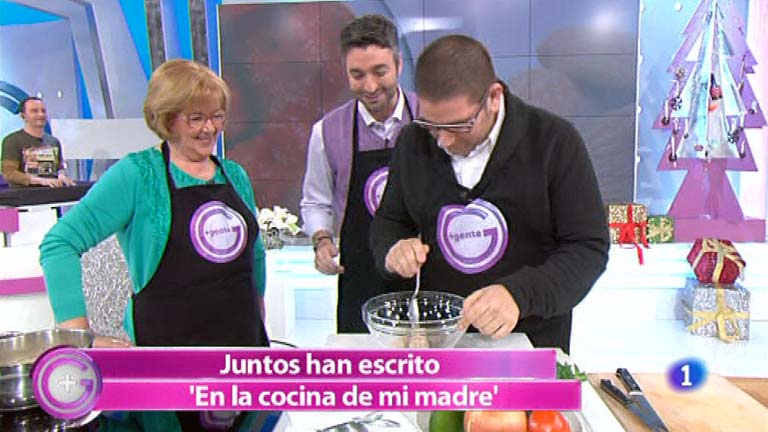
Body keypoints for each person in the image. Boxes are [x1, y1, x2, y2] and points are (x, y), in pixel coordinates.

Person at [39, 59, 268, 431]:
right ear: (167, 119)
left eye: (217, 116)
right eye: (196, 118)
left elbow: (254, 255)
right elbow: (59, 243)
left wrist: (259, 312)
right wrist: (79, 337)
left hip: (242, 353)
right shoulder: (138, 175)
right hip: (167, 362)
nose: (210, 128)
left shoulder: (235, 174)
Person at [370, 35, 609, 353]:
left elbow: (587, 248)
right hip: (441, 342)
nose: (443, 141)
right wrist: (393, 248)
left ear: (494, 97)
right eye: (432, 125)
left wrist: (519, 295)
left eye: (459, 126)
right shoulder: (414, 142)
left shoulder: (554, 142)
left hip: (531, 344)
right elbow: (390, 220)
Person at [300, 14, 417, 333]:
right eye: (357, 74)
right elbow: (316, 201)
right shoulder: (327, 132)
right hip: (361, 275)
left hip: (424, 273)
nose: (370, 86)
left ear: (399, 65)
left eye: (380, 72)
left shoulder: (430, 120)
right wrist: (322, 241)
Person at [1, 96, 76, 187]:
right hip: (24, 193)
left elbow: (60, 167)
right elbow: (9, 173)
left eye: (43, 111)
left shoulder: (54, 141)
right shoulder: (12, 140)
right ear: (23, 116)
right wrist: (38, 181)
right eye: (34, 111)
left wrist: (61, 175)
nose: (41, 115)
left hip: (52, 192)